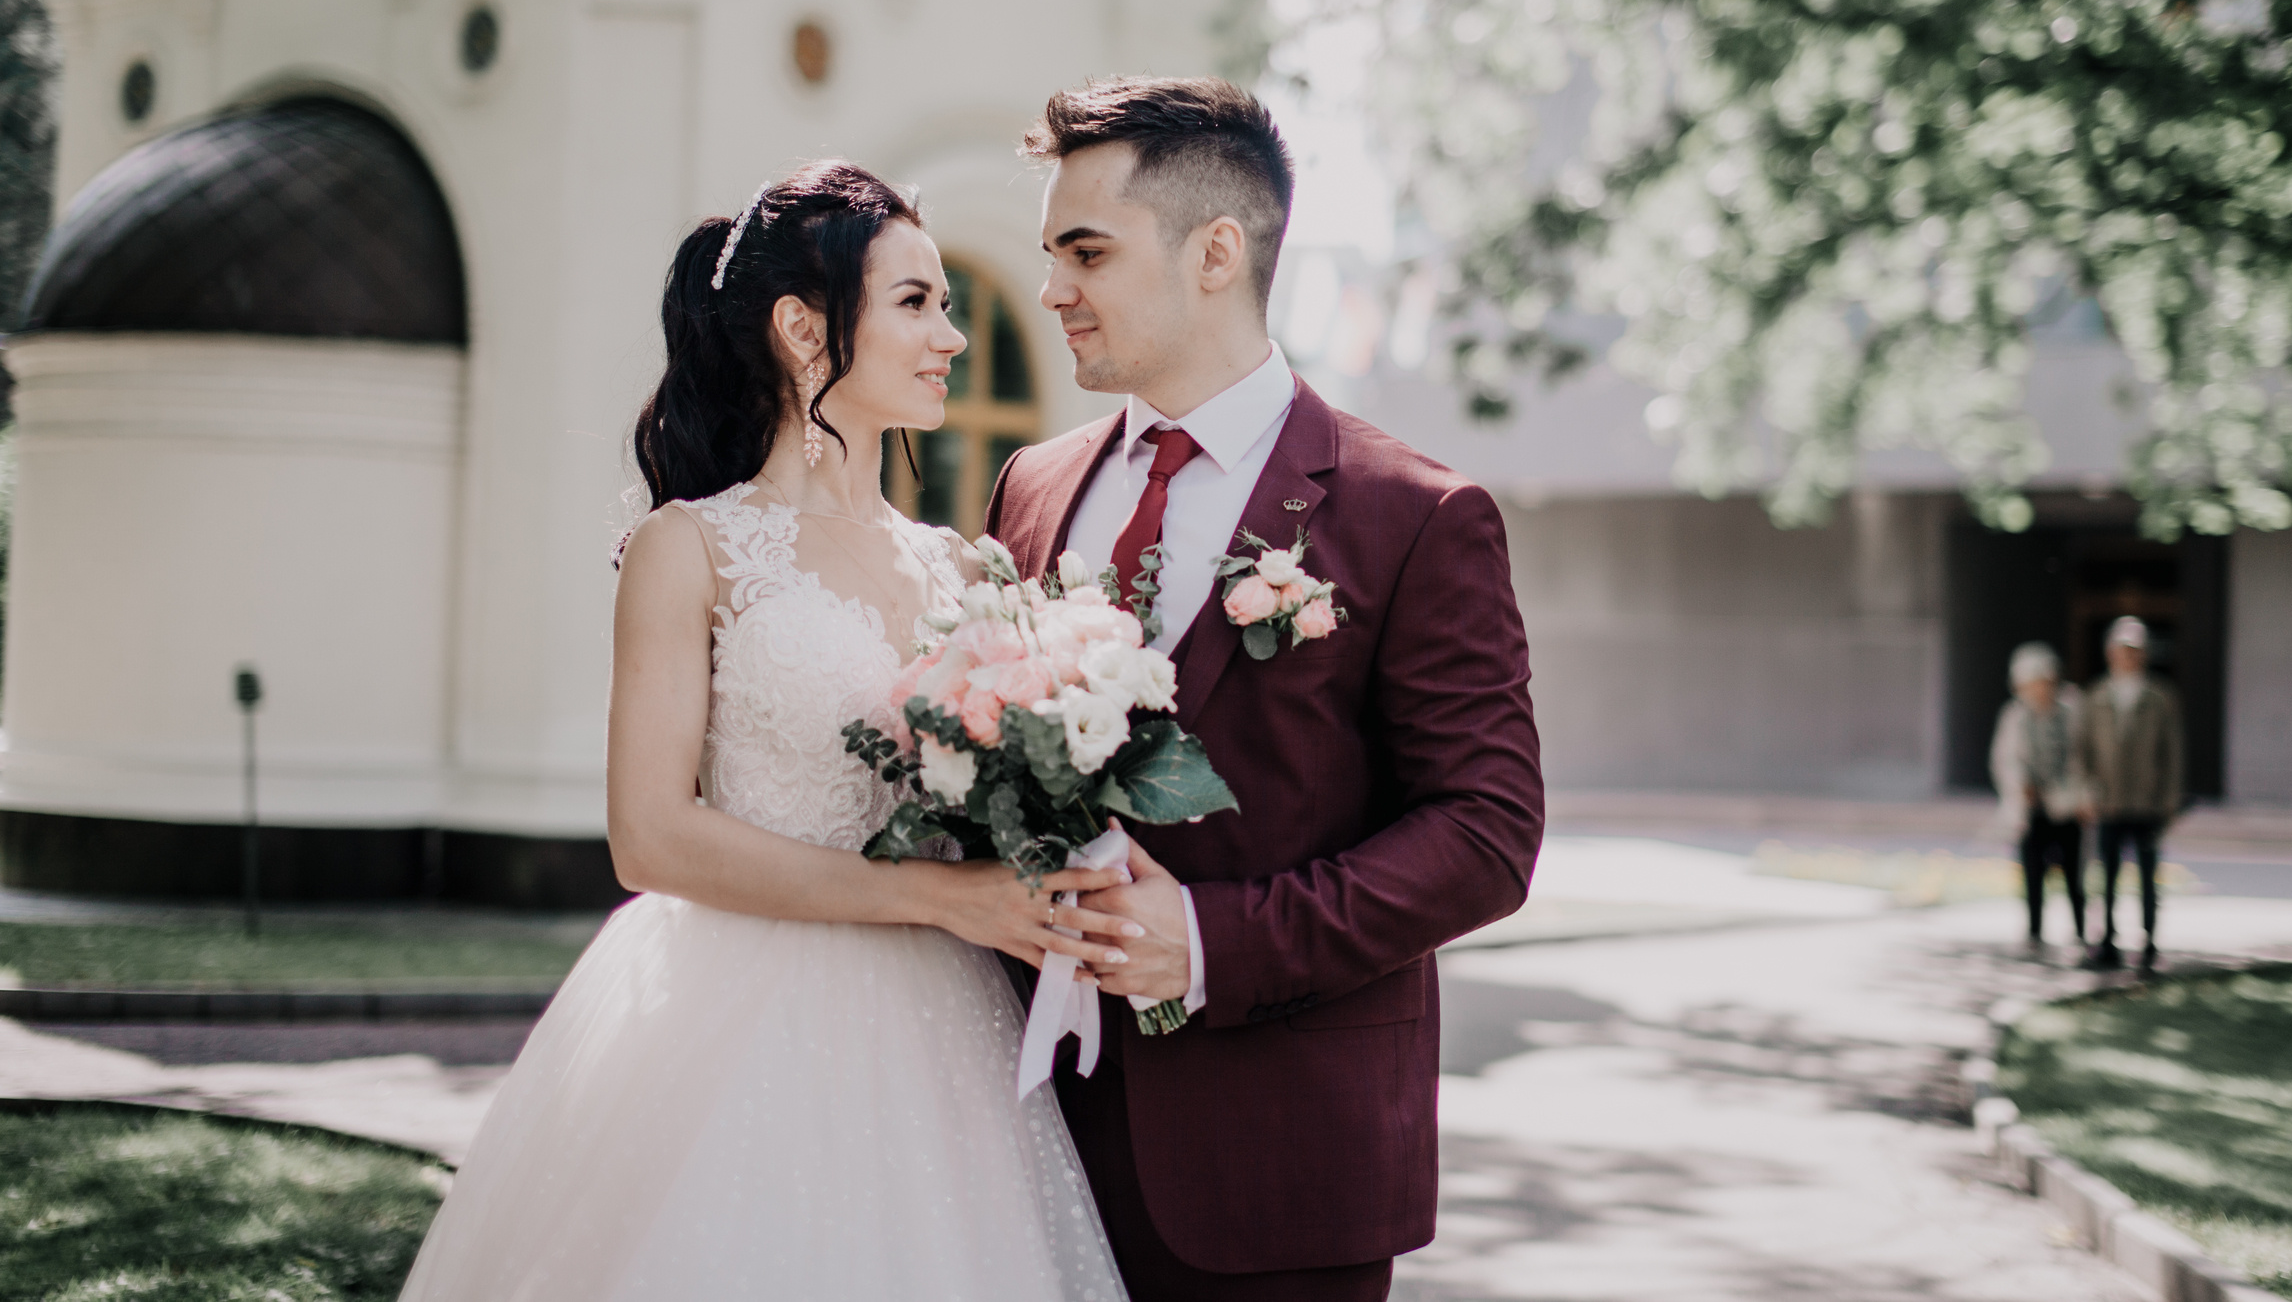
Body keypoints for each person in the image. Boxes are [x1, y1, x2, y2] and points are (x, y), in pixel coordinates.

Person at [399, 163, 1137, 1301]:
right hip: (735, 1019)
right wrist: (938, 897)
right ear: (803, 327)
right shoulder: (687, 549)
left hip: (946, 1036)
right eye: (915, 303)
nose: (951, 335)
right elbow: (649, 839)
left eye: (945, 303)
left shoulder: (961, 566)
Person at [984, 78, 1545, 1302]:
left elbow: (1487, 834)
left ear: (1215, 252)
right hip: (1019, 1153)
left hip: (1281, 1171)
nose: (1050, 291)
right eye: (1049, 254)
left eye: (1086, 250)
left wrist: (1208, 943)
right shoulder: (1030, 486)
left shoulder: (1415, 516)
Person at [2080, 615, 2183, 974]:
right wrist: (2086, 792)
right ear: (2111, 653)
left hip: (2146, 801)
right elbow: (2083, 751)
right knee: (2104, 875)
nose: (2128, 657)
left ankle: (2149, 942)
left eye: (2135, 651)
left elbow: (2172, 752)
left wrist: (2169, 797)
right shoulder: (2096, 696)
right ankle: (2106, 939)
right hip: (2108, 800)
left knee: (2147, 875)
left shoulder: (2160, 697)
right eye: (2122, 650)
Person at [1989, 641, 2088, 957]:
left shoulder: (2071, 711)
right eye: (2031, 684)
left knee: (2073, 873)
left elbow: (2083, 758)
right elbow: (2004, 761)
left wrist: (2081, 796)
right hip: (2031, 810)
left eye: (2044, 682)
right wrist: (2020, 789)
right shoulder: (2015, 717)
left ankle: (2081, 931)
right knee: (2032, 873)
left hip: (2066, 806)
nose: (2039, 690)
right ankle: (2034, 932)